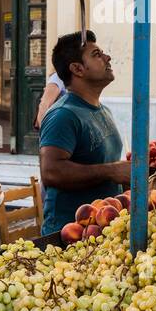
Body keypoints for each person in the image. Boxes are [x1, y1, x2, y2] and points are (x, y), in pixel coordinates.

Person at [38, 30, 130, 234]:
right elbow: (51, 172)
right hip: (69, 235)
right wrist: (112, 170)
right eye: (97, 55)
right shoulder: (63, 115)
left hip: (102, 229)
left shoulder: (103, 110)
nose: (107, 58)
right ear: (77, 69)